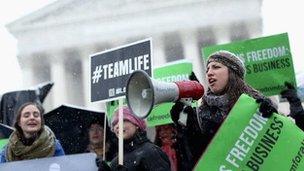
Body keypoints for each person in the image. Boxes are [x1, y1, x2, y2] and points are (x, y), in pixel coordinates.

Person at [170, 50, 277, 166]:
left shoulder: (257, 104)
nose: (209, 73)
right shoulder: (200, 114)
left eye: (216, 67)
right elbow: (193, 156)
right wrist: (182, 118)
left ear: (232, 72)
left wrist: (271, 117)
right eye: (207, 70)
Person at [99, 106, 171, 171]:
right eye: (114, 123)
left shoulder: (151, 152)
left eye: (124, 120)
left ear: (137, 124)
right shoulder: (115, 162)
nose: (118, 126)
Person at [0, 102, 65, 163]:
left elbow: (63, 167)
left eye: (36, 115)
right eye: (26, 116)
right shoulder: (7, 151)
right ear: (19, 122)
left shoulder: (54, 146)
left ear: (41, 121)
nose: (32, 118)